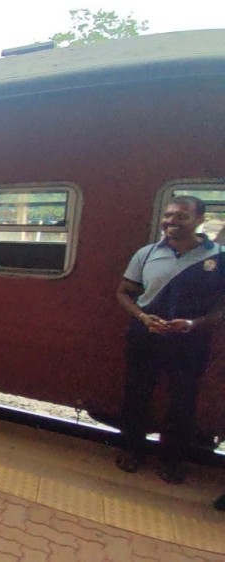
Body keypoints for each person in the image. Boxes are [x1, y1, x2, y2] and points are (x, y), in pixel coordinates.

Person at [114, 195, 225, 484]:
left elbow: (222, 308)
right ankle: (131, 450)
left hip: (190, 342)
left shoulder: (219, 259)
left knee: (183, 402)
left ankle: (172, 460)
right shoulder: (147, 253)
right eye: (168, 215)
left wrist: (193, 324)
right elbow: (124, 292)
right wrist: (142, 317)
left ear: (200, 219)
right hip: (146, 335)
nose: (171, 222)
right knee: (136, 395)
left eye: (181, 216)